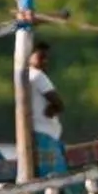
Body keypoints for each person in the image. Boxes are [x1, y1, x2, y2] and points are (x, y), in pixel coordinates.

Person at [24, 36, 67, 173]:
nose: (45, 61)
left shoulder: (24, 76)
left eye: (46, 58)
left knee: (44, 177)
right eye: (41, 57)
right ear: (28, 56)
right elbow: (59, 103)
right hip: (45, 136)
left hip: (37, 134)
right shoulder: (37, 75)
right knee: (55, 179)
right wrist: (53, 108)